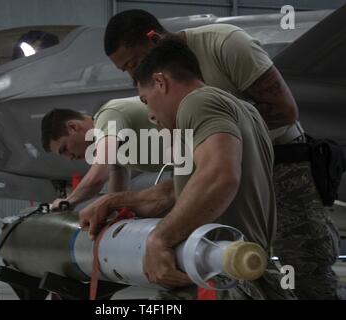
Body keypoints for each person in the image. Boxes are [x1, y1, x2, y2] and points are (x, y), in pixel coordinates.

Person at [102, 9, 340, 299]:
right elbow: (202, 171)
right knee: (234, 264)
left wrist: (224, 131)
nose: (133, 74)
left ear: (154, 38)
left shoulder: (224, 45)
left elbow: (285, 111)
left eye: (134, 63)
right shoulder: (180, 94)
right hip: (232, 162)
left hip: (283, 164)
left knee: (304, 265)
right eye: (125, 70)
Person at [80, 37, 296, 299]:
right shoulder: (242, 109)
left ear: (160, 82)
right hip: (240, 273)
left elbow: (219, 176)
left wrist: (159, 238)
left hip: (218, 278)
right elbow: (187, 188)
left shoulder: (197, 103)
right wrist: (119, 200)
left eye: (146, 100)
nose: (149, 114)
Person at [41, 96, 168, 209]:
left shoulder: (108, 116)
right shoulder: (111, 142)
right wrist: (110, 212)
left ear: (74, 127)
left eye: (64, 149)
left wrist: (67, 202)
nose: (69, 157)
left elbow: (97, 177)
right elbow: (116, 192)